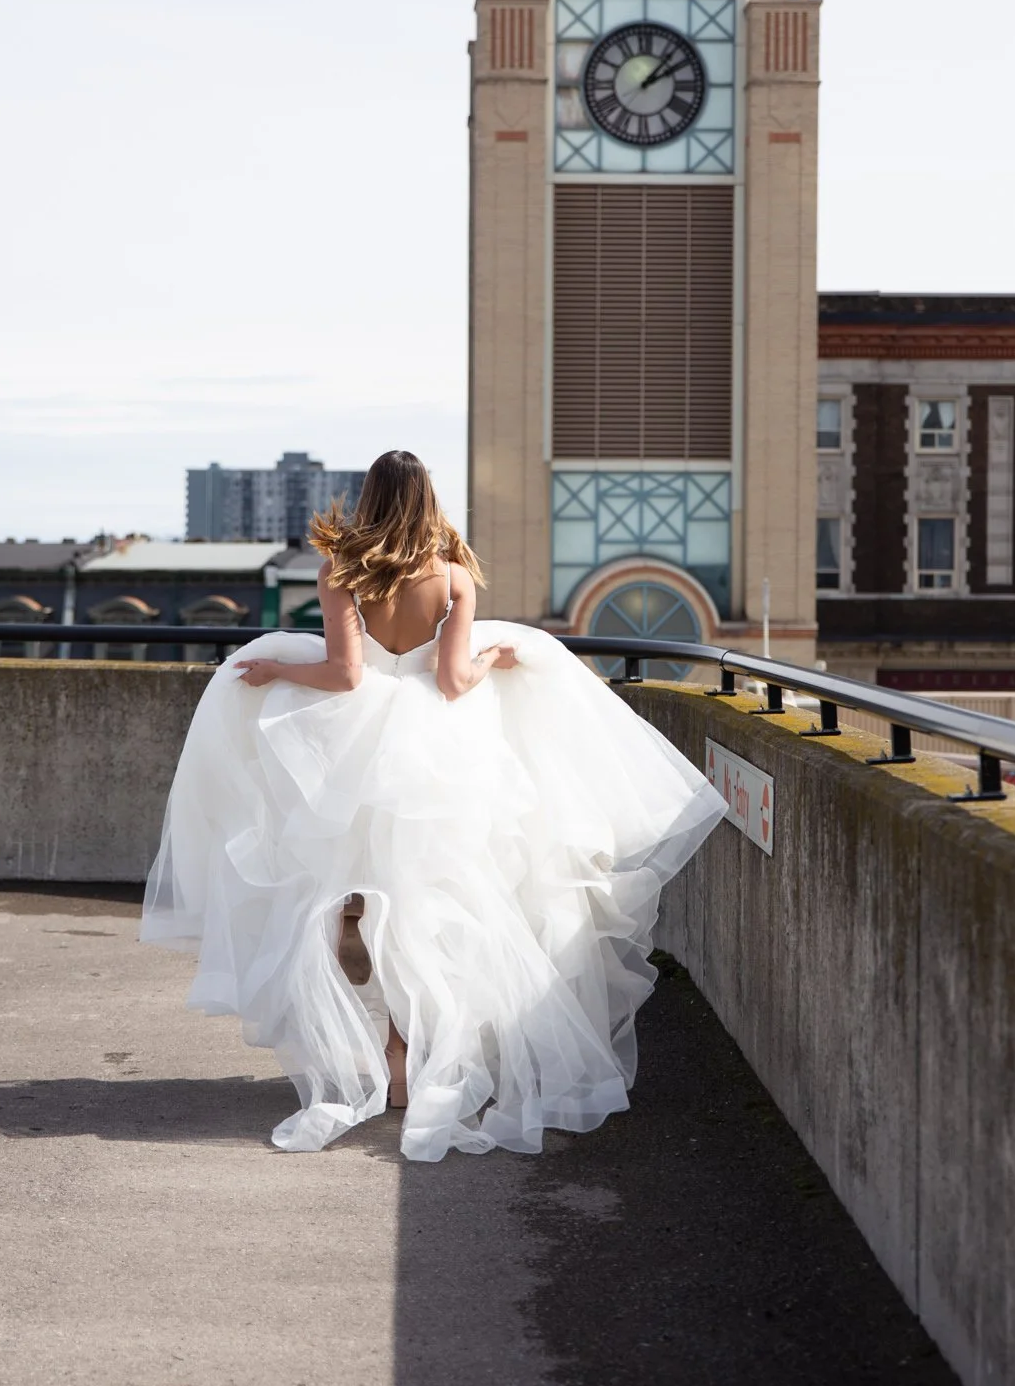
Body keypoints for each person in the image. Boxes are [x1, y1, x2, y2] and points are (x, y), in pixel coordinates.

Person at [142, 449, 726, 1161]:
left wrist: (274, 671)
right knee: (431, 911)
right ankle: (406, 1065)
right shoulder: (451, 577)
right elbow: (452, 683)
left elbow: (346, 675)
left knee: (336, 887)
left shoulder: (342, 571)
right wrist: (495, 662)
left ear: (370, 500)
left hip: (353, 752)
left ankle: (350, 987)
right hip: (438, 755)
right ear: (427, 500)